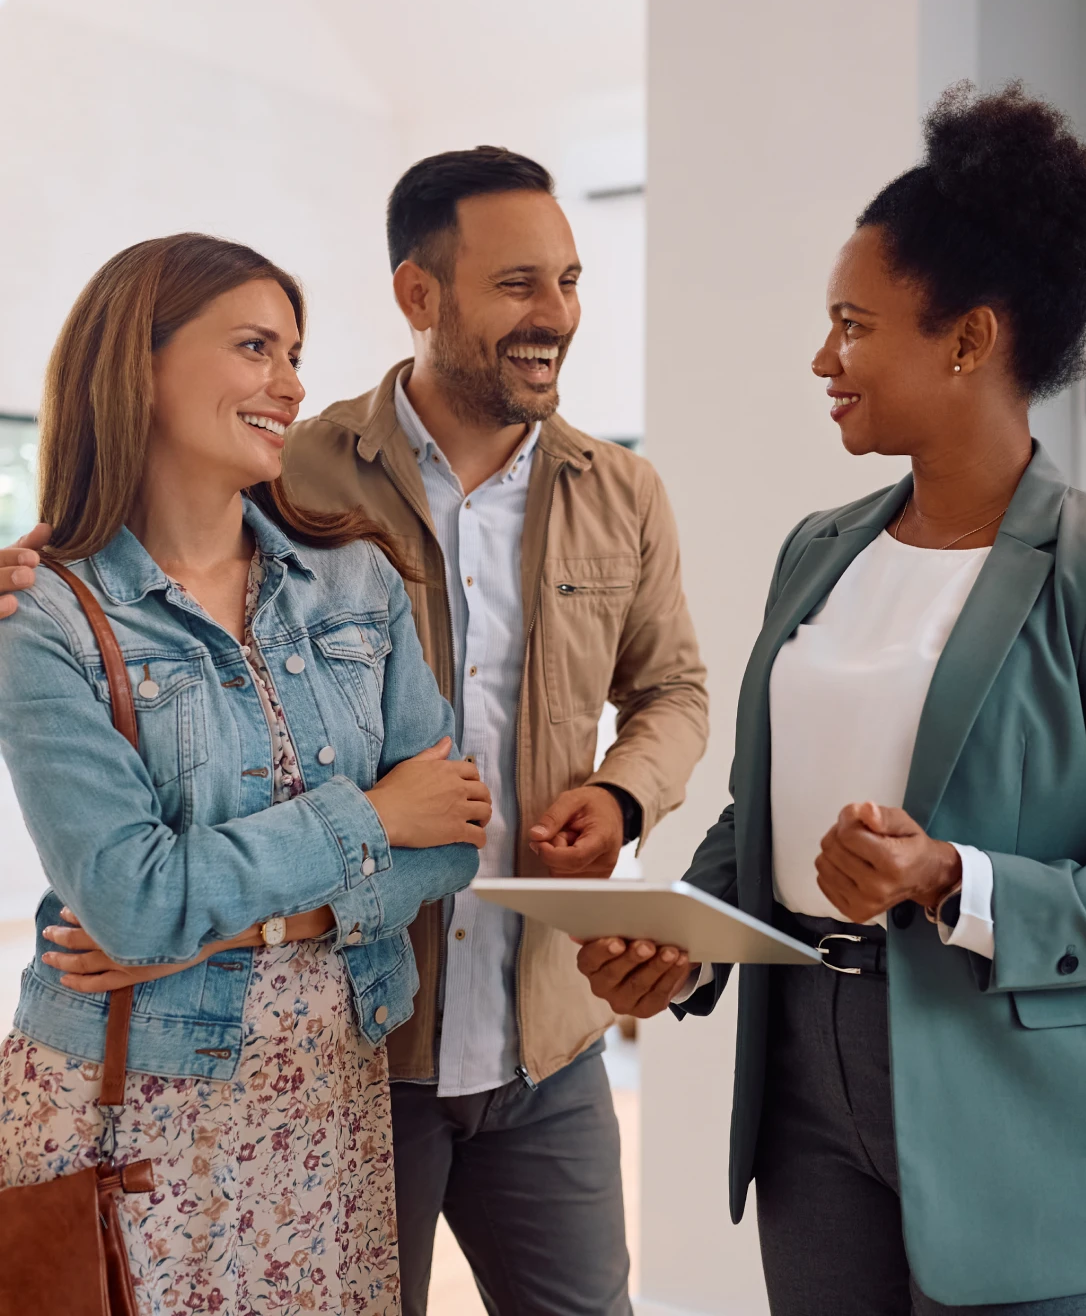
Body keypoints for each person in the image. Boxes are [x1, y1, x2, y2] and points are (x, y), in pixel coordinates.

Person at [2, 149, 710, 1314]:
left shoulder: (602, 498)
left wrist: (626, 796)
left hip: (528, 1031)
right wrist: (353, 837)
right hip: (366, 1047)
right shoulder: (307, 472)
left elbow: (649, 703)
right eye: (520, 281)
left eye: (572, 281)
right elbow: (137, 888)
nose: (559, 315)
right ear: (420, 296)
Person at [577, 85, 1086, 1314]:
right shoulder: (818, 547)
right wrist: (685, 939)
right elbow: (758, 812)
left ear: (969, 341)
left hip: (1013, 1107)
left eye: (853, 324)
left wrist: (952, 878)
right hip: (802, 1083)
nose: (823, 359)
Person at [0, 233, 490, 1315]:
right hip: (127, 1110)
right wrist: (370, 818)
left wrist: (233, 925)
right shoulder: (43, 614)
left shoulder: (356, 580)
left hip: (324, 1099)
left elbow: (451, 837)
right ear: (141, 365)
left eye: (296, 350)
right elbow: (133, 901)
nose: (294, 382)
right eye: (255, 346)